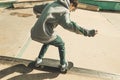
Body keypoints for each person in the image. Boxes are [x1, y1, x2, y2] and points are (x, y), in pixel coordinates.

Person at [31, 0, 97, 71]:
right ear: (71, 4)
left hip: (34, 32)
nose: (71, 11)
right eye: (73, 10)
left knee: (48, 42)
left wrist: (42, 16)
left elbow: (35, 8)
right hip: (44, 33)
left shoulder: (54, 3)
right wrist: (88, 32)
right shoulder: (64, 11)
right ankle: (63, 65)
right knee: (61, 44)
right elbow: (69, 25)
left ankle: (39, 59)